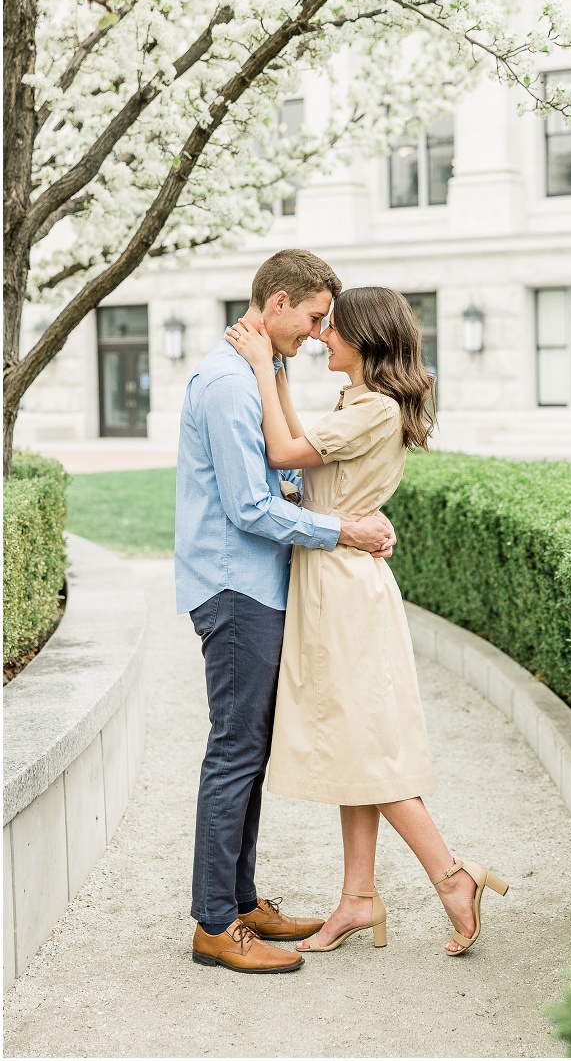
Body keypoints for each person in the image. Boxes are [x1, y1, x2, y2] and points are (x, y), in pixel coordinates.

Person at [224, 286, 508, 958]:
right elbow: (300, 444)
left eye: (333, 328)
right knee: (358, 745)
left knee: (369, 750)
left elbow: (285, 455)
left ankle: (451, 874)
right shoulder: (362, 404)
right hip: (339, 578)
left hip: (343, 590)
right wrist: (282, 374)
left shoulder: (373, 409)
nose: (322, 335)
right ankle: (356, 898)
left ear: (365, 339)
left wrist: (265, 367)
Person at [174, 250, 396, 975]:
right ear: (276, 304)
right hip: (236, 590)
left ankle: (240, 904)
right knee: (235, 751)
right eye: (311, 317)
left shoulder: (252, 375)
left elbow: (288, 472)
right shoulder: (225, 384)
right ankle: (214, 924)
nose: (316, 331)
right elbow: (248, 507)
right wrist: (345, 530)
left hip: (259, 588)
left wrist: (276, 379)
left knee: (250, 751)